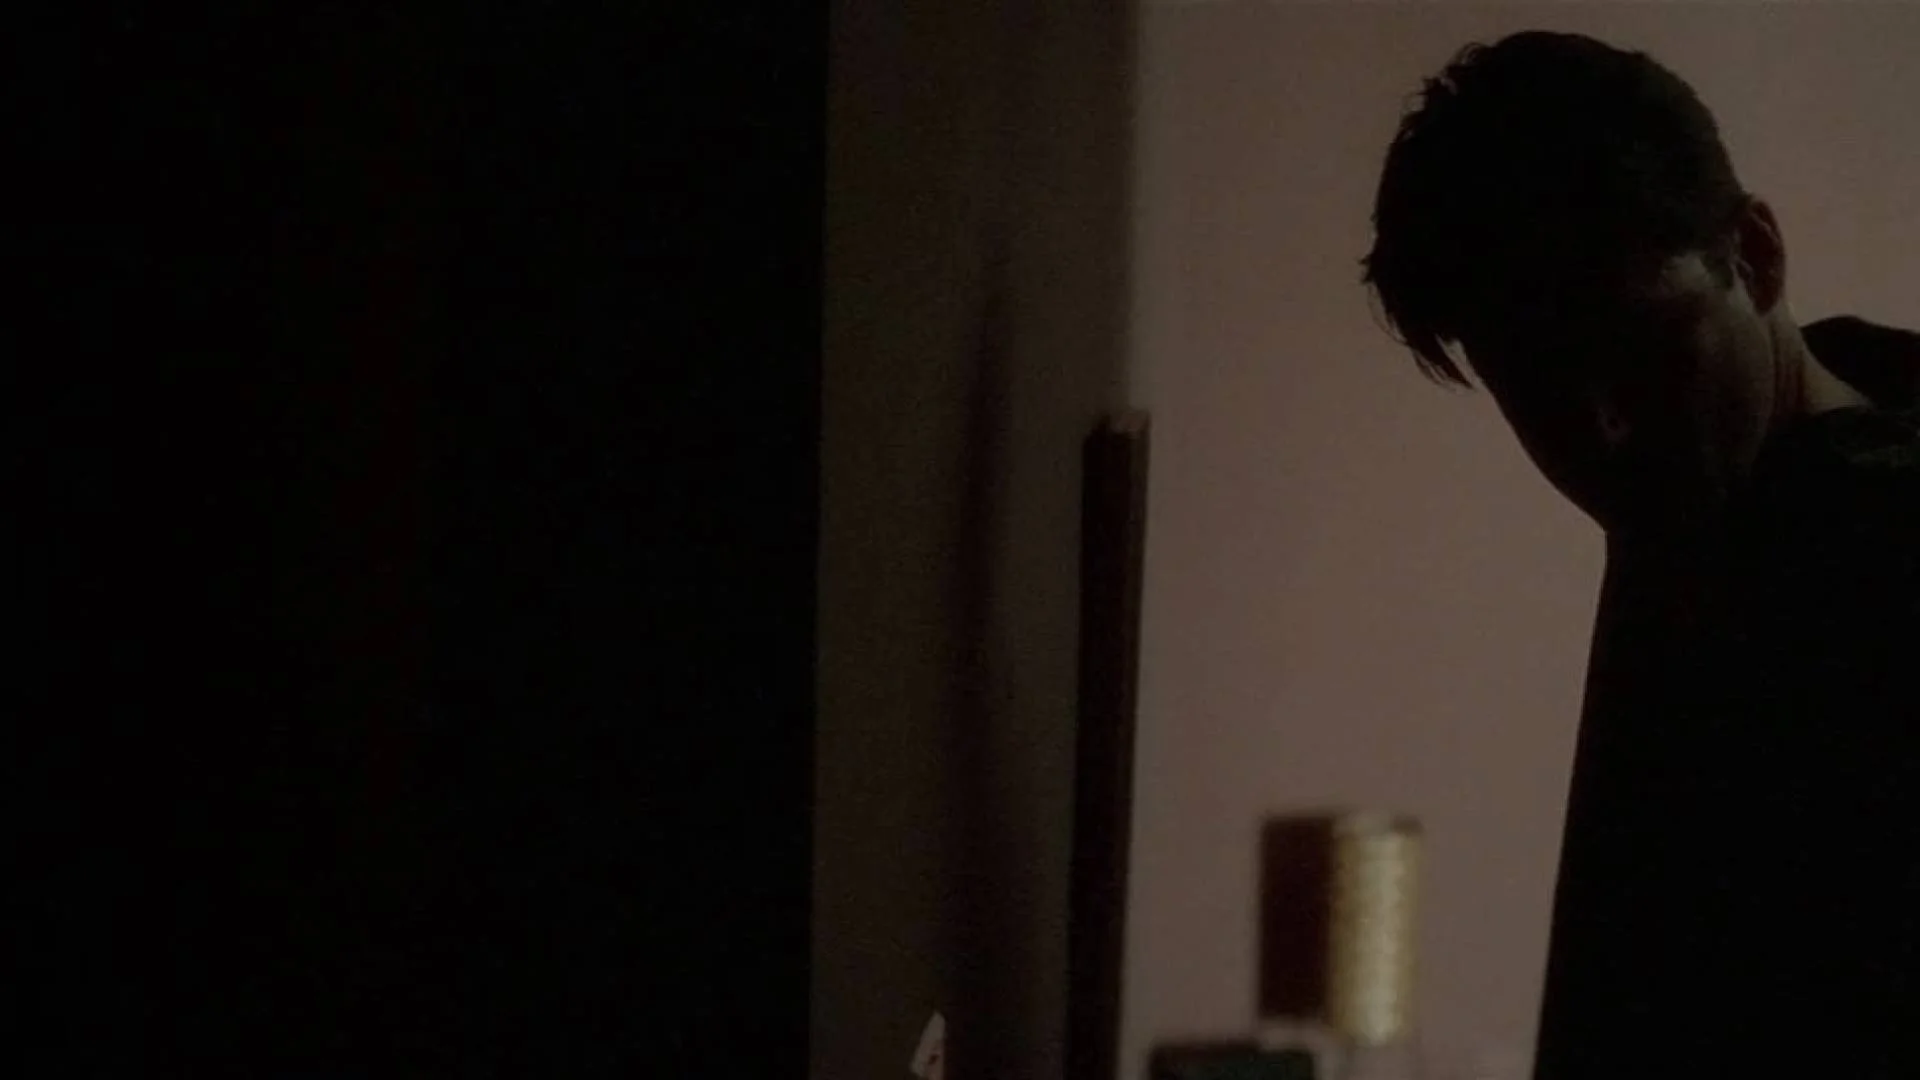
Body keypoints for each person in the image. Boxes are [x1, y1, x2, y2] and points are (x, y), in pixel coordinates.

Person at [1359, 30, 1917, 1078]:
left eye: (1642, 349)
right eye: (1539, 389)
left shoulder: (1852, 560)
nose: (1604, 426)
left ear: (1755, 254)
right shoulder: (1726, 503)